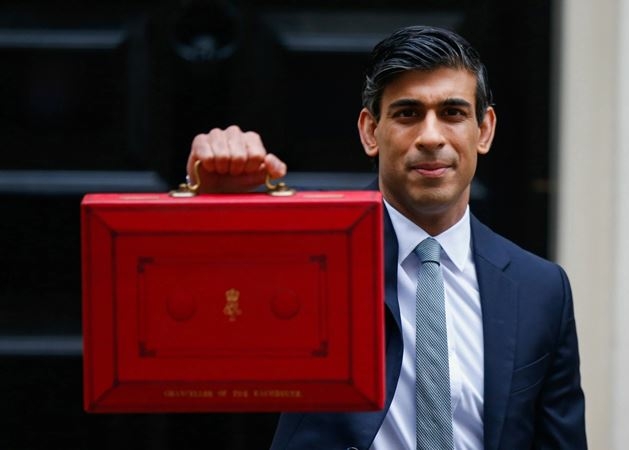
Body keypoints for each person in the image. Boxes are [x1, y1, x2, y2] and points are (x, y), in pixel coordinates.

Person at [186, 25, 586, 450]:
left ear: (484, 130)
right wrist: (216, 208)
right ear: (369, 131)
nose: (431, 137)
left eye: (452, 113)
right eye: (407, 113)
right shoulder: (310, 254)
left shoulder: (542, 289)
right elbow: (197, 325)